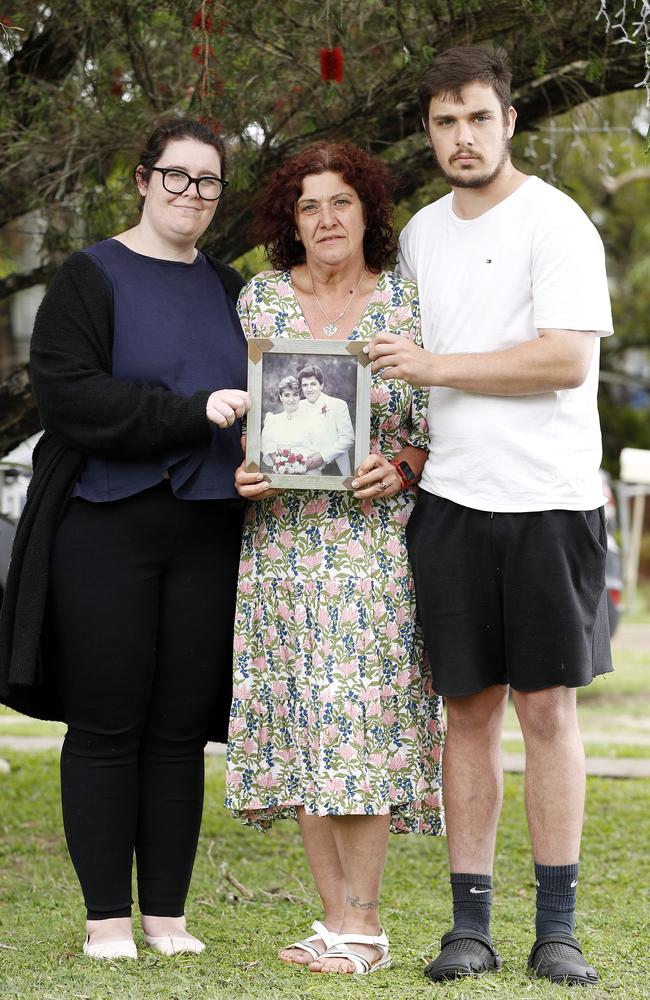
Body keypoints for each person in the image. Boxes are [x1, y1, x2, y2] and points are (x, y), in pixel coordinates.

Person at [368, 46, 613, 986]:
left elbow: (561, 361)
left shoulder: (558, 222)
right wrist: (413, 451)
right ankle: (469, 926)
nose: (462, 136)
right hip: (453, 503)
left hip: (547, 502)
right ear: (430, 133)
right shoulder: (424, 234)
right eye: (444, 122)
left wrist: (433, 369)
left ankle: (560, 926)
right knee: (465, 715)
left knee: (545, 710)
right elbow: (413, 369)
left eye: (477, 117)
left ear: (508, 120)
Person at [0, 117, 251, 960]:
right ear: (143, 180)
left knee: (181, 727)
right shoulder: (89, 276)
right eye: (176, 177)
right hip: (103, 526)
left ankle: (168, 918)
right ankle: (107, 918)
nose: (192, 194)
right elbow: (69, 399)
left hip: (206, 531)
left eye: (208, 182)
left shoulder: (228, 285)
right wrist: (191, 413)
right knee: (108, 722)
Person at [226, 142, 445, 976]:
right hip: (280, 545)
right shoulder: (259, 302)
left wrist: (404, 469)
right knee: (304, 729)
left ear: (367, 213)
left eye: (342, 203)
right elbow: (246, 412)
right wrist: (243, 472)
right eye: (309, 205)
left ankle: (367, 927)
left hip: (370, 548)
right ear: (292, 218)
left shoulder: (405, 303)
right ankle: (329, 921)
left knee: (357, 725)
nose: (326, 219)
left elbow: (432, 429)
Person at [296, 364, 355, 474]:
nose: (309, 389)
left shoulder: (338, 405)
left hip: (333, 467)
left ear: (321, 385)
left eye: (313, 384)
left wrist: (323, 457)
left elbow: (348, 439)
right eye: (305, 385)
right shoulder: (297, 407)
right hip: (305, 468)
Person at [261, 375, 318, 472]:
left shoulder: (311, 418)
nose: (291, 399)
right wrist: (284, 466)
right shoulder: (273, 420)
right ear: (281, 397)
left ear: (299, 396)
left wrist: (301, 466)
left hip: (309, 472)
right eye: (287, 395)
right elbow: (268, 446)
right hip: (282, 472)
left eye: (295, 395)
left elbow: (318, 448)